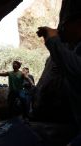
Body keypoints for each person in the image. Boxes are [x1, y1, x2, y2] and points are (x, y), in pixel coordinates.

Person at [36, 0, 81, 131]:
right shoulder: (75, 47)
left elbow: (77, 69)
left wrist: (53, 42)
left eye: (64, 25)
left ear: (78, 23)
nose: (60, 29)